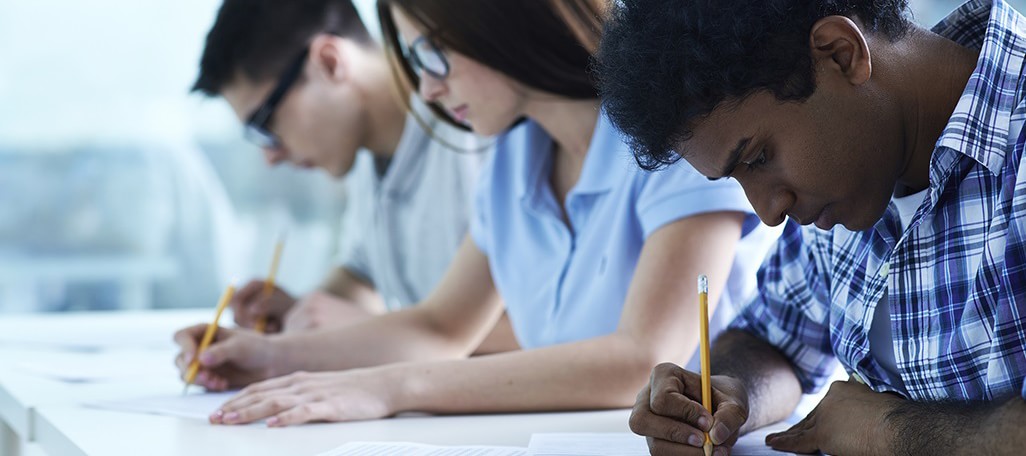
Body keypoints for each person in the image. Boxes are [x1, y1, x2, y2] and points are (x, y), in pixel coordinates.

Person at [172, 0, 776, 425]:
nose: (427, 89)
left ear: (501, 21)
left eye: (432, 57)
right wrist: (267, 357)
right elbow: (438, 328)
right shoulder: (512, 158)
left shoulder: (674, 133)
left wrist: (387, 389)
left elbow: (641, 360)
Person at [596, 0, 1026, 454]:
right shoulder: (851, 176)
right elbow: (774, 341)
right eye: (737, 177)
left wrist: (890, 431)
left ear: (842, 54)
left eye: (759, 158)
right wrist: (724, 393)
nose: (768, 211)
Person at [191, 0, 517, 353]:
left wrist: (371, 329)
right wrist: (300, 315)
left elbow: (551, 332)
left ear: (329, 63)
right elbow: (362, 274)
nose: (271, 156)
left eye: (266, 124)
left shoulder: (478, 131)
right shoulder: (361, 153)